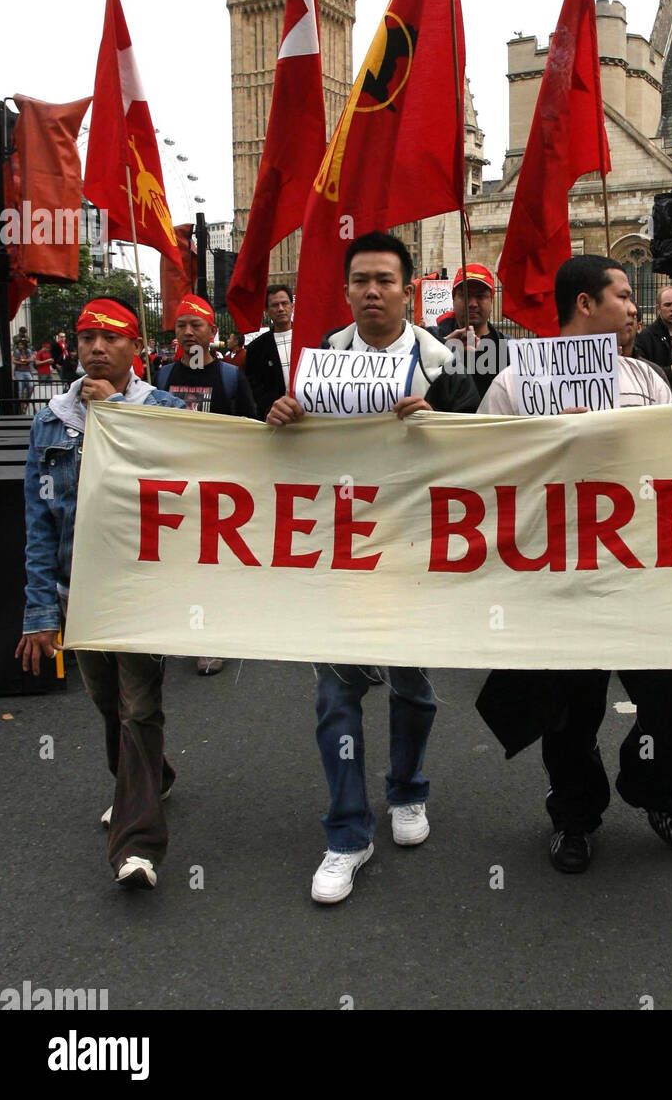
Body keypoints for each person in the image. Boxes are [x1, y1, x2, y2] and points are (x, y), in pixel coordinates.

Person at [477, 256, 672, 875]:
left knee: (670, 706)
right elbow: (478, 468)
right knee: (570, 713)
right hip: (560, 580)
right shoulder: (513, 384)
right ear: (585, 305)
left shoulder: (649, 379)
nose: (637, 308)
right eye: (622, 296)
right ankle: (574, 815)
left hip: (640, 576)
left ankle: (652, 788)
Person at [266, 231, 478, 904]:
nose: (372, 291)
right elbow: (281, 458)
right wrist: (280, 417)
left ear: (407, 289)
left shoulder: (444, 364)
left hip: (416, 553)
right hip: (343, 555)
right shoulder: (318, 362)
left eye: (385, 280)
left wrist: (440, 419)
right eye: (360, 280)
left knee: (413, 688)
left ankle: (407, 792)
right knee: (336, 697)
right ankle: (347, 834)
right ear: (346, 289)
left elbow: (486, 453)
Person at [16, 297, 186, 891]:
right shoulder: (51, 420)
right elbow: (39, 522)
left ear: (136, 348)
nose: (95, 347)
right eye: (87, 336)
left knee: (139, 706)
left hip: (138, 589)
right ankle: (150, 775)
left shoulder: (160, 409)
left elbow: (179, 491)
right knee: (106, 700)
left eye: (110, 338)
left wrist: (119, 418)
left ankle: (136, 844)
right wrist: (39, 611)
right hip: (76, 592)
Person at [156, 294, 257, 676]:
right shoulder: (163, 376)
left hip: (222, 490)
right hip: (176, 489)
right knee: (182, 562)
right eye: (181, 325)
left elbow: (252, 428)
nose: (187, 332)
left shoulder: (230, 376)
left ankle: (213, 639)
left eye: (195, 325)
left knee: (215, 565)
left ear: (212, 332)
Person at [432, 263, 507, 405]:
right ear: (453, 299)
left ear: (492, 300)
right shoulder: (431, 341)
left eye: (480, 296)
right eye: (465, 295)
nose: (472, 303)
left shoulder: (508, 348)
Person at [245, 284, 295, 421]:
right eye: (274, 305)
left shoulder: (310, 339)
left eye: (284, 303)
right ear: (266, 310)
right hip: (276, 419)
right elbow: (254, 387)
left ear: (292, 305)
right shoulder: (256, 349)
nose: (280, 309)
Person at [12, 337, 35, 412]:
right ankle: (21, 407)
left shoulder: (28, 351)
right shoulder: (17, 351)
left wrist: (24, 360)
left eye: (21, 345)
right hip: (19, 371)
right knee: (20, 389)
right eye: (19, 345)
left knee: (31, 386)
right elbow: (13, 360)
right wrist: (24, 362)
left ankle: (26, 402)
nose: (20, 346)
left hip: (27, 371)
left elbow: (31, 359)